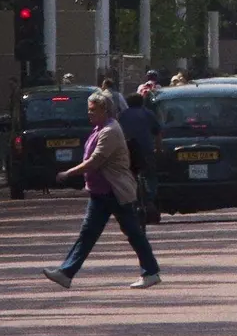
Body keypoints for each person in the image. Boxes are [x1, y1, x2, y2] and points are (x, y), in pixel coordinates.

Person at [44, 89, 160, 289]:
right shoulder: (99, 129)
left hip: (114, 191)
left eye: (93, 110)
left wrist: (68, 173)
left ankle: (150, 272)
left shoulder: (110, 131)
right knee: (88, 233)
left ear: (105, 111)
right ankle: (66, 272)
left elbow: (96, 161)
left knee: (133, 232)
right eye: (88, 110)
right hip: (100, 192)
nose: (89, 114)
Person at [117, 90, 162, 221]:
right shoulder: (148, 113)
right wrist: (158, 149)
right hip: (146, 150)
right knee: (150, 175)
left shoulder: (122, 115)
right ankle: (150, 200)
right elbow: (158, 133)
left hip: (127, 150)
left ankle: (130, 200)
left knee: (128, 176)